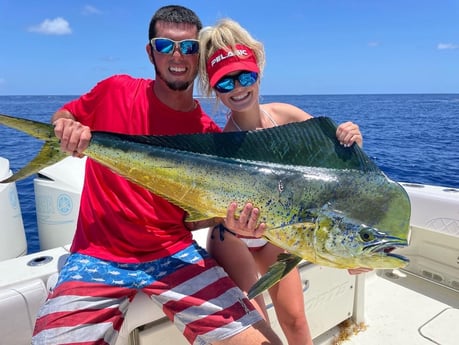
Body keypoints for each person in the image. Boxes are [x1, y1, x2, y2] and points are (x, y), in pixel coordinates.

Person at [31, 6, 283, 345]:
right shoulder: (115, 89)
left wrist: (230, 222)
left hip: (173, 255)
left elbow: (195, 218)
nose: (177, 56)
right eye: (165, 46)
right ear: (151, 52)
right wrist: (64, 126)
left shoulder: (208, 136)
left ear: (199, 58)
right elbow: (67, 114)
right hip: (95, 256)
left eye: (189, 47)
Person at [198, 18, 370, 345]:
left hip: (279, 234)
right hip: (234, 239)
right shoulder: (222, 145)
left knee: (295, 321)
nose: (237, 88)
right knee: (259, 328)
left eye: (244, 76)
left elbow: (337, 166)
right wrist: (233, 225)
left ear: (258, 72)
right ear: (215, 90)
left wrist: (353, 141)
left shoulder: (286, 115)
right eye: (225, 83)